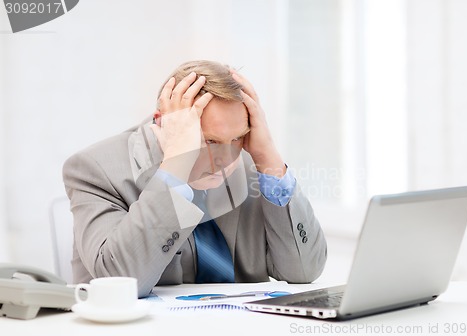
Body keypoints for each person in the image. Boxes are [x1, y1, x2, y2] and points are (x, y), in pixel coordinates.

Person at [63, 60, 327, 297]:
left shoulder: (251, 165)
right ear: (163, 125)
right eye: (208, 141)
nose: (225, 160)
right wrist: (177, 168)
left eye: (236, 138)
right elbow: (121, 281)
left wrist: (269, 157)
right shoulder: (95, 169)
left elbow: (303, 272)